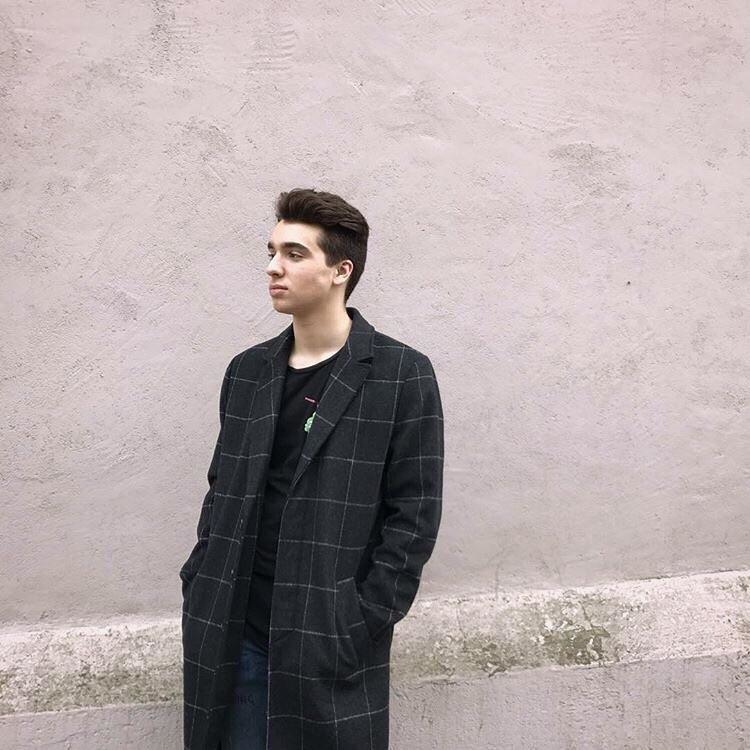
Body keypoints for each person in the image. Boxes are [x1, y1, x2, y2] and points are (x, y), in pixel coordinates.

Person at [179, 188, 444, 750]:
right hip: (233, 628)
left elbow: (414, 516)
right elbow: (221, 488)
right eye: (272, 252)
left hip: (327, 634)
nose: (273, 267)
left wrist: (362, 619)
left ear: (340, 271)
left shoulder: (400, 374)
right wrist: (199, 579)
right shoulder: (247, 372)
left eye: (294, 254)